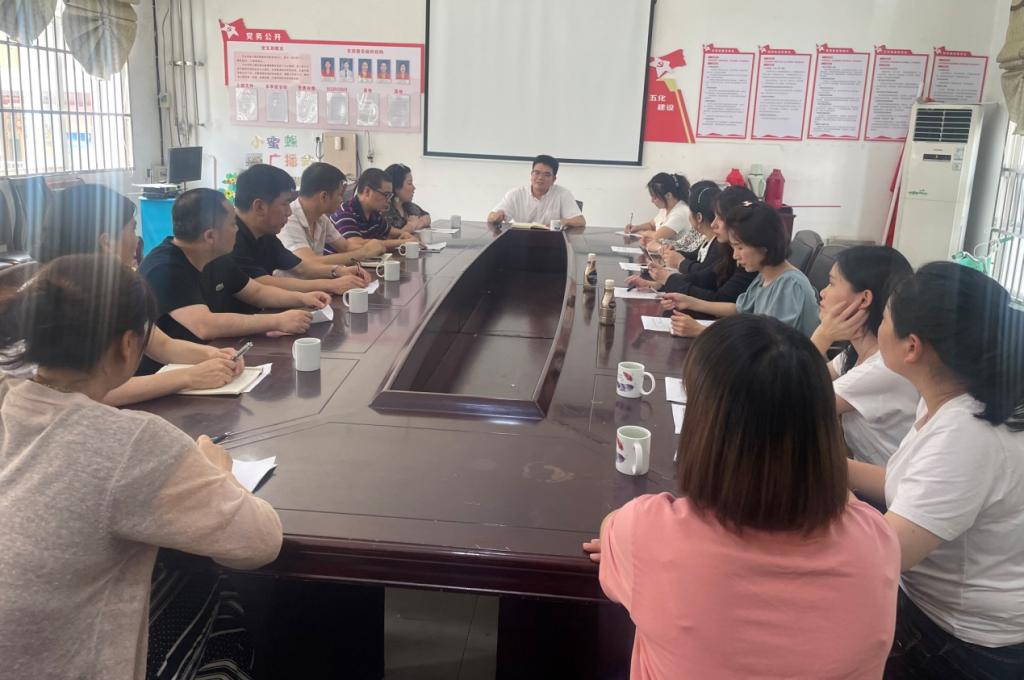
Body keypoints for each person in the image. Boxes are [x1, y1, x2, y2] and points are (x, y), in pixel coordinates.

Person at [0, 253, 283, 680]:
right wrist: (219, 471)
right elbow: (259, 542)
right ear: (129, 345)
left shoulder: (10, 401)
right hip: (63, 663)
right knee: (220, 599)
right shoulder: (133, 443)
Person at [583, 315, 900, 679]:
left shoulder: (648, 532)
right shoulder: (876, 543)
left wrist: (626, 543)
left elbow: (610, 528)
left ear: (705, 427)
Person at [846, 262, 1024, 679]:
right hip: (931, 612)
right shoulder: (950, 396)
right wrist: (826, 467)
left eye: (884, 319)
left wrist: (826, 491)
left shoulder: (969, 432)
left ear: (912, 347)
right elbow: (907, 488)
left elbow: (885, 555)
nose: (878, 326)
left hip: (961, 645)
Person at [37, 183, 243, 405]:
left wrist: (214, 356)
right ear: (107, 242)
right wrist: (188, 377)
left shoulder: (116, 288)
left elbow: (162, 345)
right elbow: (87, 392)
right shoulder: (58, 302)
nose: (137, 241)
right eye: (132, 230)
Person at [139, 188, 328, 357]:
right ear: (210, 236)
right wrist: (277, 321)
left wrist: (302, 298)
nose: (237, 229)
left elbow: (257, 292)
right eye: (232, 224)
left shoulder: (215, 256)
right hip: (170, 369)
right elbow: (205, 325)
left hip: (214, 354)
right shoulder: (164, 268)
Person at [810, 246, 918, 465]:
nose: (822, 292)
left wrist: (822, 337)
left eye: (831, 283)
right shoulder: (856, 352)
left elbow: (791, 405)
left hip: (886, 484)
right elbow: (799, 381)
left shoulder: (882, 368)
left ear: (864, 299)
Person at [660, 200, 819, 337]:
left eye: (740, 247)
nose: (735, 255)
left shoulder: (789, 286)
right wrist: (690, 302)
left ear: (763, 246)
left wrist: (701, 331)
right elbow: (739, 309)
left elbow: (771, 344)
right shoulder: (765, 275)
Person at [233, 164, 371, 295]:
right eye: (285, 203)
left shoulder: (265, 234)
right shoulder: (231, 237)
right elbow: (262, 284)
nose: (289, 212)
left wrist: (338, 271)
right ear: (259, 207)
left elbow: (301, 268)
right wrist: (331, 285)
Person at [279, 162, 386, 267]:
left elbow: (346, 247)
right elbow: (309, 263)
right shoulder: (288, 219)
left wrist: (373, 246)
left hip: (318, 278)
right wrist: (364, 252)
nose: (342, 200)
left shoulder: (321, 219)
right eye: (340, 195)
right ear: (324, 196)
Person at [627, 180, 722, 293]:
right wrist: (659, 284)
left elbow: (704, 278)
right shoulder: (707, 240)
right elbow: (693, 265)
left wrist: (677, 263)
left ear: (699, 217)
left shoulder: (719, 245)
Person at [487, 155, 586, 227]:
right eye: (537, 173)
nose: (540, 178)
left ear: (554, 179)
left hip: (552, 241)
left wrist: (564, 221)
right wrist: (496, 216)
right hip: (522, 240)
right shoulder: (515, 194)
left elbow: (581, 221)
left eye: (546, 175)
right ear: (531, 175)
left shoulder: (563, 194)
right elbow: (491, 217)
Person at [330, 168, 418, 248]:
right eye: (386, 195)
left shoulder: (374, 213)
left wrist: (405, 234)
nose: (389, 200)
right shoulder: (345, 212)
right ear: (367, 191)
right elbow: (356, 244)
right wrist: (404, 242)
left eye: (390, 196)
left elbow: (389, 231)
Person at [627, 173, 701, 251]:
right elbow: (651, 225)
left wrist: (640, 232)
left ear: (668, 195)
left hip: (676, 254)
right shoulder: (665, 208)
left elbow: (657, 236)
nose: (652, 201)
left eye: (655, 197)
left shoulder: (680, 212)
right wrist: (637, 227)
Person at [383, 163, 431, 233]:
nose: (414, 188)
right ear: (396, 187)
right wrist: (412, 225)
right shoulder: (385, 209)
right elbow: (394, 235)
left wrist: (420, 223)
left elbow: (426, 216)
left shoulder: (408, 205)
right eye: (409, 183)